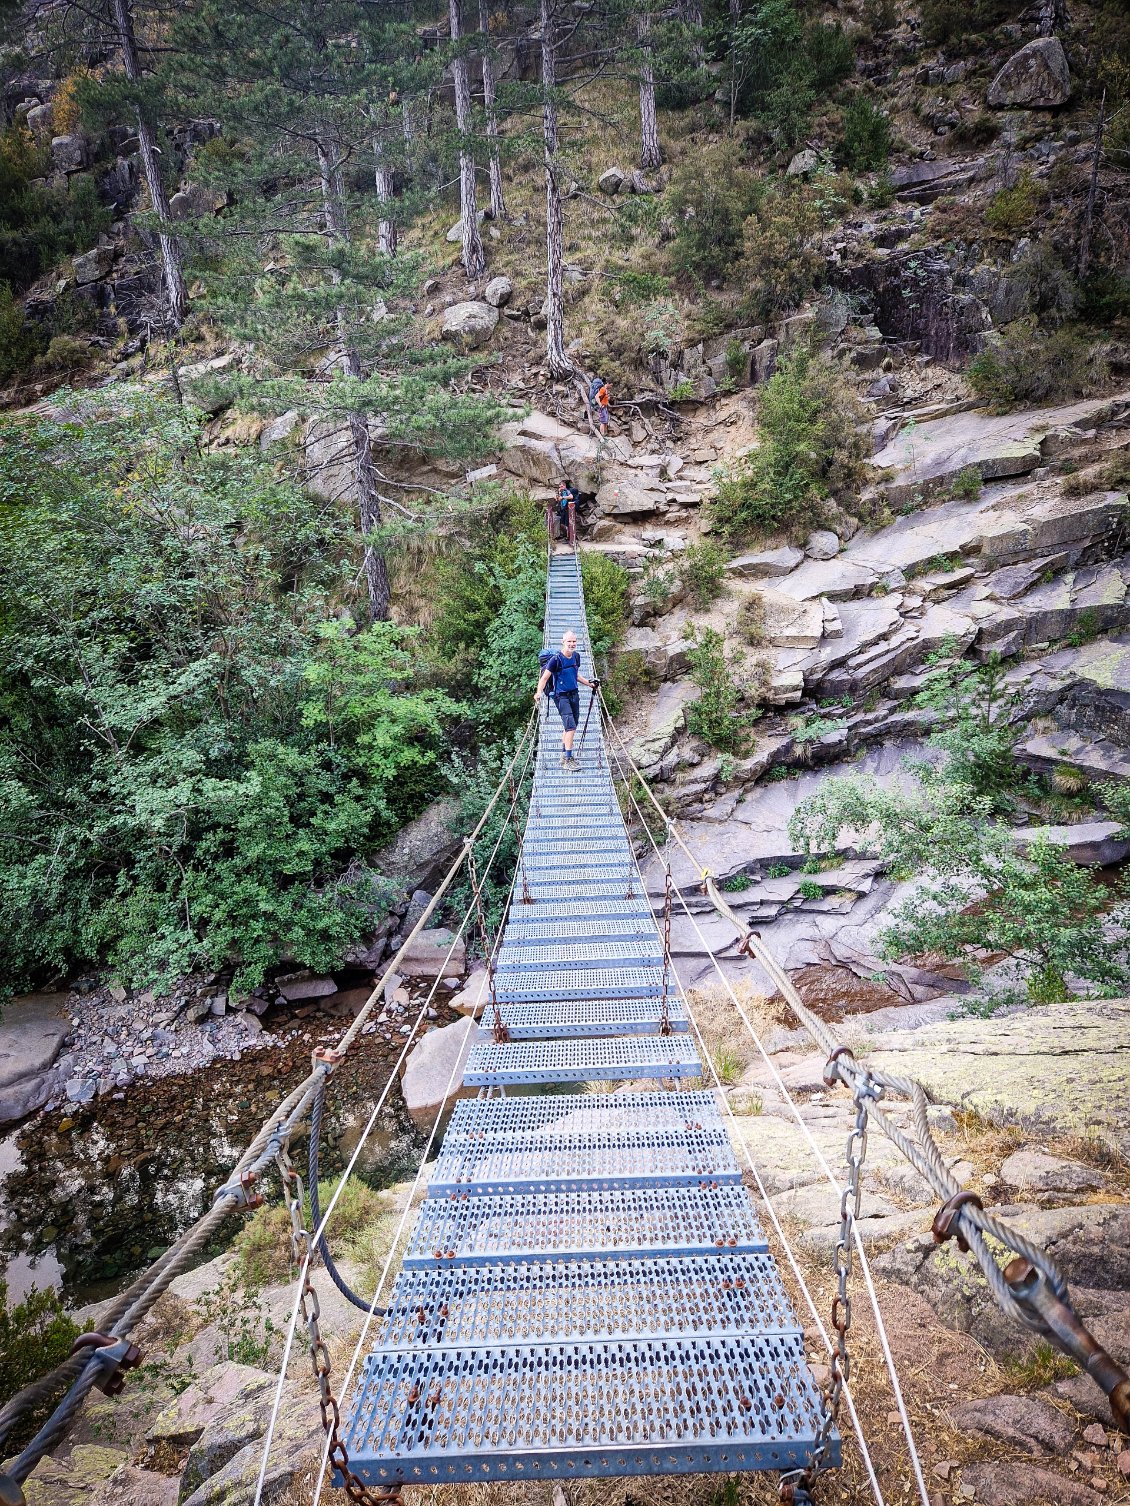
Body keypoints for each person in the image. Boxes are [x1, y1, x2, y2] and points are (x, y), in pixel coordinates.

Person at [535, 630, 598, 770]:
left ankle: (564, 754)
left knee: (571, 725)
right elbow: (544, 678)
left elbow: (575, 675)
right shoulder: (555, 660)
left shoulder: (576, 657)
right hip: (561, 696)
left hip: (574, 694)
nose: (572, 644)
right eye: (569, 641)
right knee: (571, 727)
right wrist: (538, 692)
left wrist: (589, 684)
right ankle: (568, 759)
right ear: (563, 642)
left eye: (574, 641)